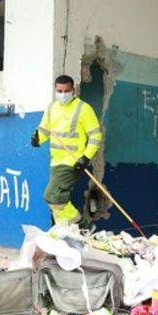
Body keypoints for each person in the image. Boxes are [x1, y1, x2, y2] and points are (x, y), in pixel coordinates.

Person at [31, 75, 103, 227]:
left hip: (73, 162)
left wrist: (86, 157)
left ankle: (82, 225)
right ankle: (62, 239)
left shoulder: (84, 109)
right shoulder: (52, 108)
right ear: (55, 90)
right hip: (55, 161)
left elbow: (95, 136)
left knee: (53, 196)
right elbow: (44, 129)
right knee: (57, 207)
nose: (63, 94)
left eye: (66, 91)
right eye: (59, 91)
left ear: (74, 89)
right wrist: (38, 138)